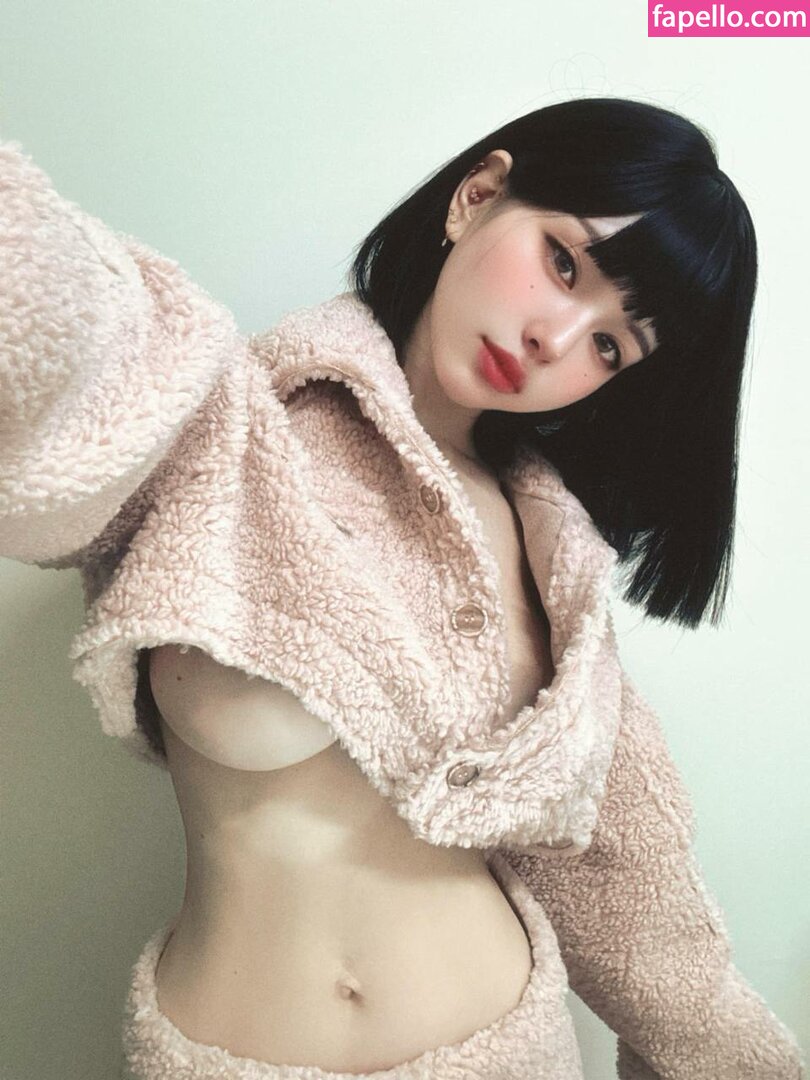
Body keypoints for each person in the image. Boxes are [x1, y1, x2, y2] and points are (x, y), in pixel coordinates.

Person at [0, 98, 804, 1080]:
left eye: (612, 345)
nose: (556, 339)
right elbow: (56, 329)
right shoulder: (223, 431)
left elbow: (644, 921)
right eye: (565, 263)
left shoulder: (558, 574)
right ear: (478, 196)